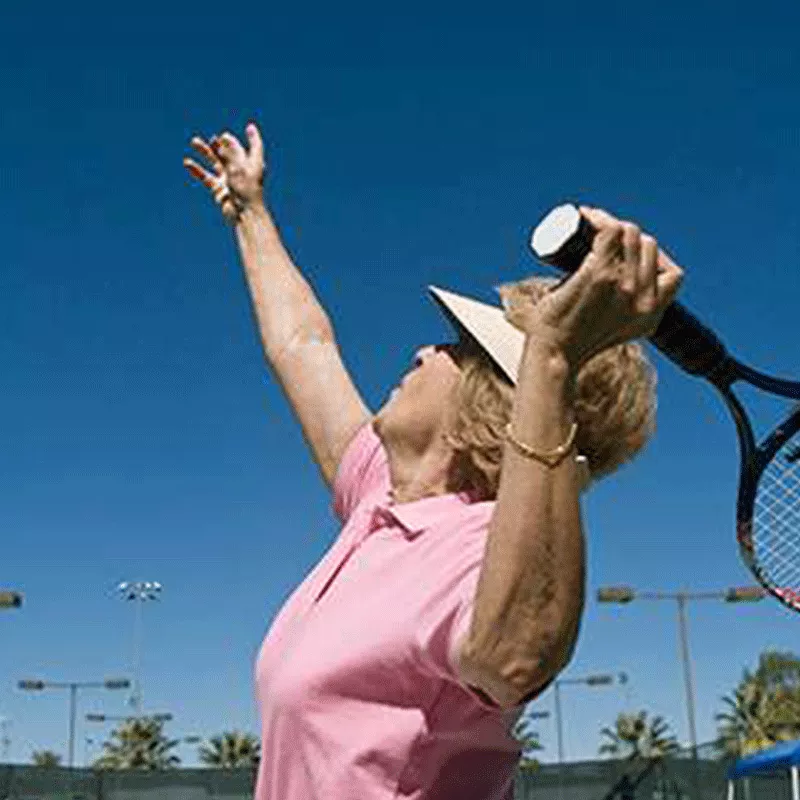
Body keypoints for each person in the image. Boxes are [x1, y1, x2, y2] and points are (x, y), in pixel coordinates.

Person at [183, 122, 683, 800]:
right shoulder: (380, 502)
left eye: (456, 345)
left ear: (496, 396)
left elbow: (514, 654)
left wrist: (554, 358)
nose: (424, 350)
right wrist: (250, 212)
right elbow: (303, 344)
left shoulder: (480, 547)